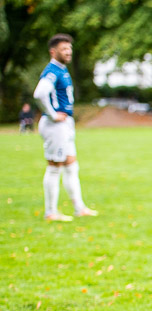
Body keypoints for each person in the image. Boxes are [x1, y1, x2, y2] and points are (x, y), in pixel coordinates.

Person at [32, 33, 97, 222]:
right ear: (53, 52)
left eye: (69, 48)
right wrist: (52, 114)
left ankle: (79, 208)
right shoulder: (52, 71)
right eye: (64, 49)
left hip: (65, 124)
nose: (68, 52)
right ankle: (50, 212)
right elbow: (39, 94)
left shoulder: (62, 70)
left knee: (71, 166)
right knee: (54, 167)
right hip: (55, 125)